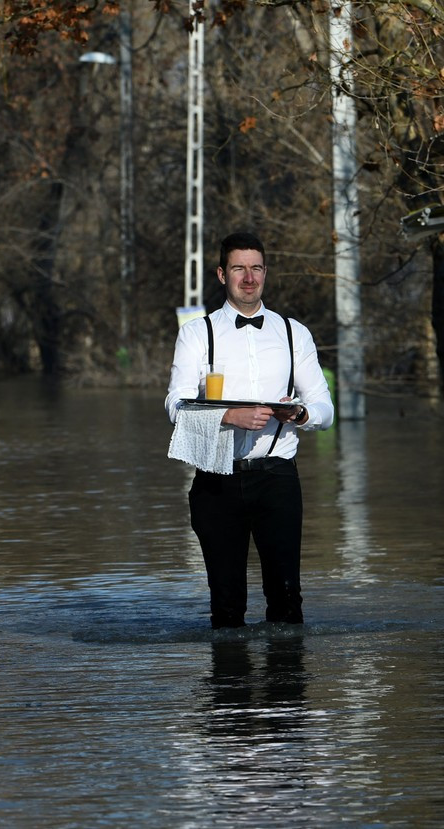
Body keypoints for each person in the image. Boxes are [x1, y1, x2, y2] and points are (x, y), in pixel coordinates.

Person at [165, 232, 334, 629]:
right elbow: (176, 405)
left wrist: (300, 414)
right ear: (222, 275)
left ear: (265, 273)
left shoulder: (294, 333)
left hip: (277, 477)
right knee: (226, 608)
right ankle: (230, 690)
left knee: (288, 603)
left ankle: (286, 689)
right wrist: (228, 416)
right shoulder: (196, 333)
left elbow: (325, 408)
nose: (249, 277)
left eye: (256, 268)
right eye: (239, 268)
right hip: (216, 479)